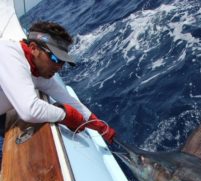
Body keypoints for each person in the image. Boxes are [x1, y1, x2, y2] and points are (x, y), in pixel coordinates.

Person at [0, 21, 116, 157]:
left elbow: (70, 101)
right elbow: (30, 110)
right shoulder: (7, 54)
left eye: (63, 61)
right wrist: (66, 116)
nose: (59, 67)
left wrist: (101, 127)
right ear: (33, 48)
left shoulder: (39, 71)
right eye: (55, 59)